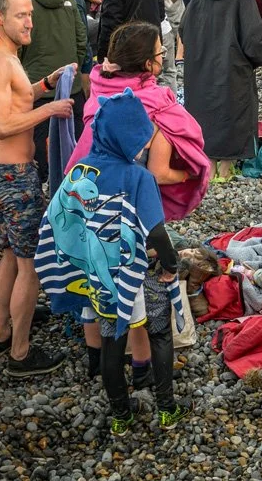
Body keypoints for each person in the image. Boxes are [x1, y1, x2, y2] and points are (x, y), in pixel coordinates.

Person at [36, 89, 188, 434]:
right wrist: (170, 265)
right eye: (139, 141)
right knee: (160, 332)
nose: (142, 148)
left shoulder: (81, 170)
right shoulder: (138, 177)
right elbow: (157, 234)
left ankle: (121, 416)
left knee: (111, 341)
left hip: (100, 277)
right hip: (136, 273)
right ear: (125, 139)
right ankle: (167, 409)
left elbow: (56, 219)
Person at [0, 0, 74, 377]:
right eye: (21, 15)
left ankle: (1, 335)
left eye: (30, 13)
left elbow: (15, 98)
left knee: (9, 257)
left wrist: (45, 86)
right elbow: (2, 124)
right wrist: (51, 111)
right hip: (12, 177)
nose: (30, 22)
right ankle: (20, 353)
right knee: (29, 265)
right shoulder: (0, 60)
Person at [66, 20, 210, 225]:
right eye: (161, 51)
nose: (164, 55)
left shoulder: (100, 90)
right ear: (148, 63)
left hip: (82, 198)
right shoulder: (159, 108)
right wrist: (188, 175)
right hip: (125, 211)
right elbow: (158, 174)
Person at [180, 0, 262, 182]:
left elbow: (184, 28)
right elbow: (253, 42)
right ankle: (226, 170)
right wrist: (256, 59)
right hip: (232, 70)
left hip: (199, 67)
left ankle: (207, 168)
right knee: (232, 116)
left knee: (204, 113)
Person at [17, 0, 87, 185]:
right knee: (73, 141)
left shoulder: (22, 2)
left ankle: (41, 187)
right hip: (71, 85)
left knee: (37, 144)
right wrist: (71, 69)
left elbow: (17, 43)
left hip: (38, 86)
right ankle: (74, 188)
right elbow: (81, 39)